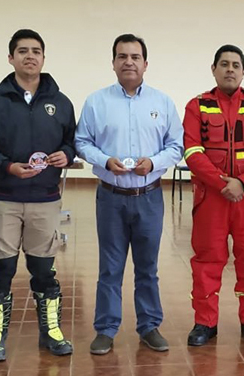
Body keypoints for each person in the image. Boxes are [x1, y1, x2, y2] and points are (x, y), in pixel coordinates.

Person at [76, 33, 183, 355]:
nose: (129, 62)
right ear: (113, 63)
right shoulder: (97, 102)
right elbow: (82, 142)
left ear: (145, 64)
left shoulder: (162, 102)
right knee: (110, 267)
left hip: (149, 196)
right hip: (111, 196)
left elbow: (176, 146)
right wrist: (103, 160)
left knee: (147, 267)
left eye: (135, 57)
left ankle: (149, 326)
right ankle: (106, 329)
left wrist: (153, 163)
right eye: (122, 56)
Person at [0, 29, 76, 361]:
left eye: (36, 51)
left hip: (45, 199)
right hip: (4, 196)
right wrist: (7, 167)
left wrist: (66, 153)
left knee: (44, 270)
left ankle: (51, 333)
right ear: (11, 58)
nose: (29, 56)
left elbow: (71, 141)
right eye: (22, 51)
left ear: (43, 58)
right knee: (2, 269)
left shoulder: (60, 102)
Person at [182, 44, 244, 346]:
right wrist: (222, 183)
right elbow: (192, 151)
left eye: (236, 65)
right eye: (224, 64)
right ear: (214, 69)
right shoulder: (197, 106)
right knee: (208, 260)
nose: (230, 69)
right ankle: (205, 323)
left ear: (243, 71)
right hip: (212, 197)